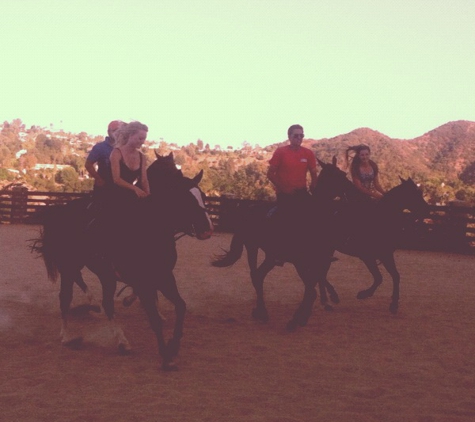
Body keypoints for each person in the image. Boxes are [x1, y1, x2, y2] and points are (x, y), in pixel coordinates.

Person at [267, 124, 318, 206]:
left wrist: (313, 185)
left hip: (302, 193)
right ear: (289, 137)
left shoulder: (308, 153)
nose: (299, 138)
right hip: (285, 195)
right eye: (296, 135)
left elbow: (314, 173)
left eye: (301, 135)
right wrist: (283, 189)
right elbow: (270, 174)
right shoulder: (280, 152)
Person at [85, 120, 123, 206]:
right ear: (108, 132)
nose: (117, 133)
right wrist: (98, 179)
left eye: (120, 131)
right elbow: (88, 164)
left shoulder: (124, 148)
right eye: (115, 130)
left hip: (121, 188)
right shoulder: (100, 147)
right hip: (104, 187)